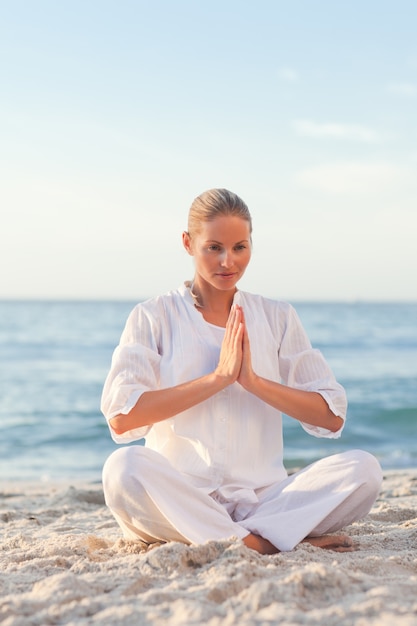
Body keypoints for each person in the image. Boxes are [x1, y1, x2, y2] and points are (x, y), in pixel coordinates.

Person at [101, 188, 382, 554]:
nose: (227, 261)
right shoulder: (154, 316)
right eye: (214, 247)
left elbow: (331, 417)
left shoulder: (277, 317)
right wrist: (217, 379)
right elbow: (123, 419)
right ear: (188, 243)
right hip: (181, 499)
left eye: (239, 247)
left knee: (365, 470)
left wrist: (254, 382)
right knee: (123, 468)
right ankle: (263, 542)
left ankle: (237, 536)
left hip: (263, 500)